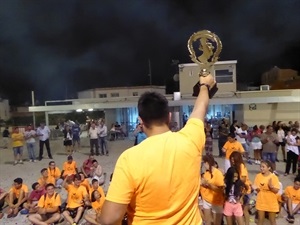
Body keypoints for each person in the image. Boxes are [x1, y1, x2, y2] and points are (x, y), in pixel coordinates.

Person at [100, 74, 214, 224]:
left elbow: (109, 218)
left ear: (140, 121)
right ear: (169, 116)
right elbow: (201, 107)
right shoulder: (190, 140)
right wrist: (204, 85)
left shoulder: (129, 158)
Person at [252, 160, 280, 225]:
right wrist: (255, 188)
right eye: (260, 166)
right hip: (261, 200)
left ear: (269, 168)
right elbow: (258, 190)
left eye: (263, 167)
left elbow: (276, 191)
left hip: (271, 201)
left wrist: (271, 187)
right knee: (260, 220)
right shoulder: (258, 176)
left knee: (272, 221)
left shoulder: (273, 177)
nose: (261, 168)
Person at [200, 155, 225, 225]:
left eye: (203, 163)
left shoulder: (218, 174)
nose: (203, 165)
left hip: (216, 201)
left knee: (217, 222)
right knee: (207, 222)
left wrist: (208, 184)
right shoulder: (206, 173)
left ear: (207, 163)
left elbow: (220, 190)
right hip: (206, 199)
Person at [230, 151, 251, 225]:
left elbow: (243, 179)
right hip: (238, 190)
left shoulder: (241, 166)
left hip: (244, 190)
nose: (232, 161)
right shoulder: (234, 167)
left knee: (244, 210)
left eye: (233, 160)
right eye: (231, 160)